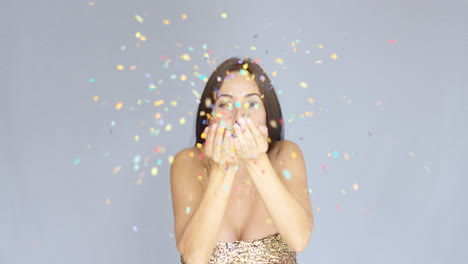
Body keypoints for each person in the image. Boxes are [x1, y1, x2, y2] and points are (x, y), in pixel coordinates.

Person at [170, 57, 314, 263]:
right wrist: (222, 170)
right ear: (210, 116)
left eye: (252, 103)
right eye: (225, 104)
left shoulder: (286, 155)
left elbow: (300, 239)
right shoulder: (188, 163)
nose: (239, 115)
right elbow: (193, 258)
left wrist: (256, 161)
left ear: (267, 114)